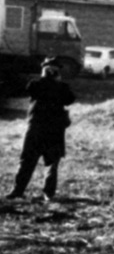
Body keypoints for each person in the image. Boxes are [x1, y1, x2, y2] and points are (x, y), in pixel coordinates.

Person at [12, 60, 75, 200]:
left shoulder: (39, 84)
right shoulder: (48, 85)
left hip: (39, 128)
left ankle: (19, 191)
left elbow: (69, 99)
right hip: (52, 129)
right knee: (47, 162)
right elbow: (69, 99)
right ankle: (45, 193)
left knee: (32, 161)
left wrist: (48, 79)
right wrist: (54, 81)